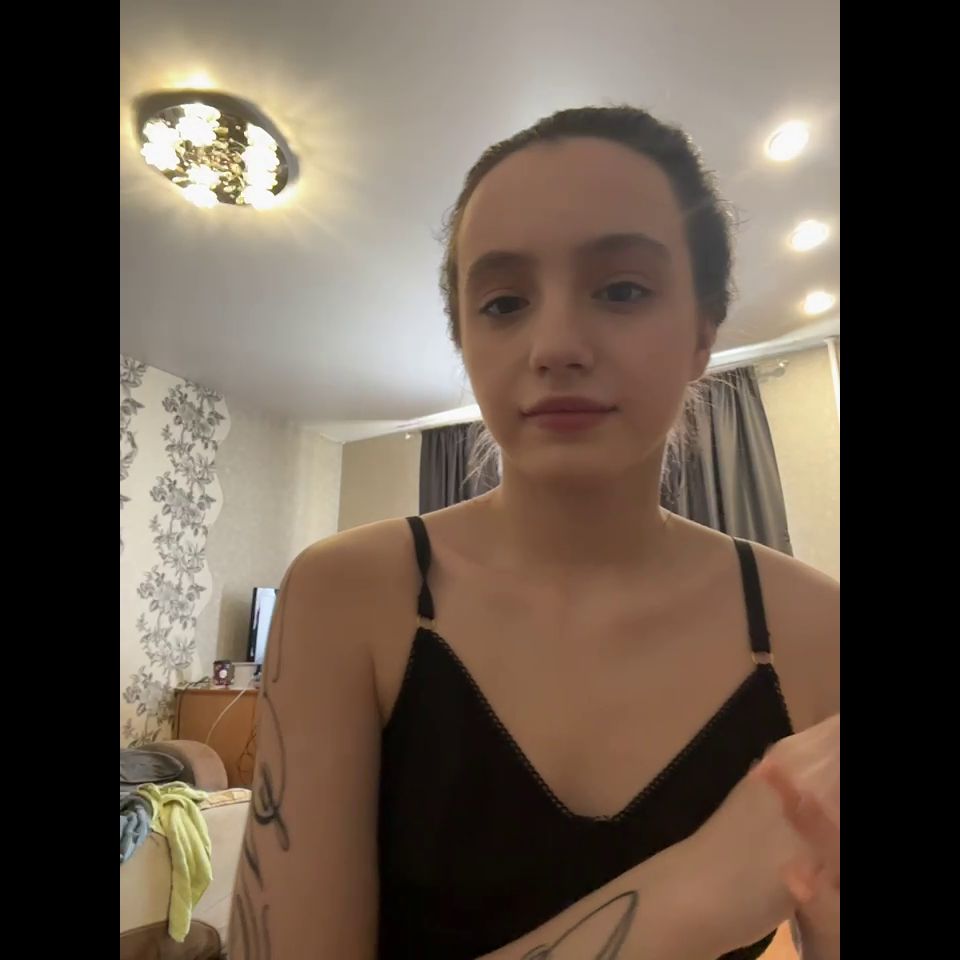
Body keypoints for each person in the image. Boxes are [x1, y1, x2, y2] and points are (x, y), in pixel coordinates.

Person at [229, 106, 840, 960]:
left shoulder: (816, 631)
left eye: (621, 289)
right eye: (504, 302)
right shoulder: (348, 596)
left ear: (704, 333)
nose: (554, 345)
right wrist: (696, 890)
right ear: (464, 341)